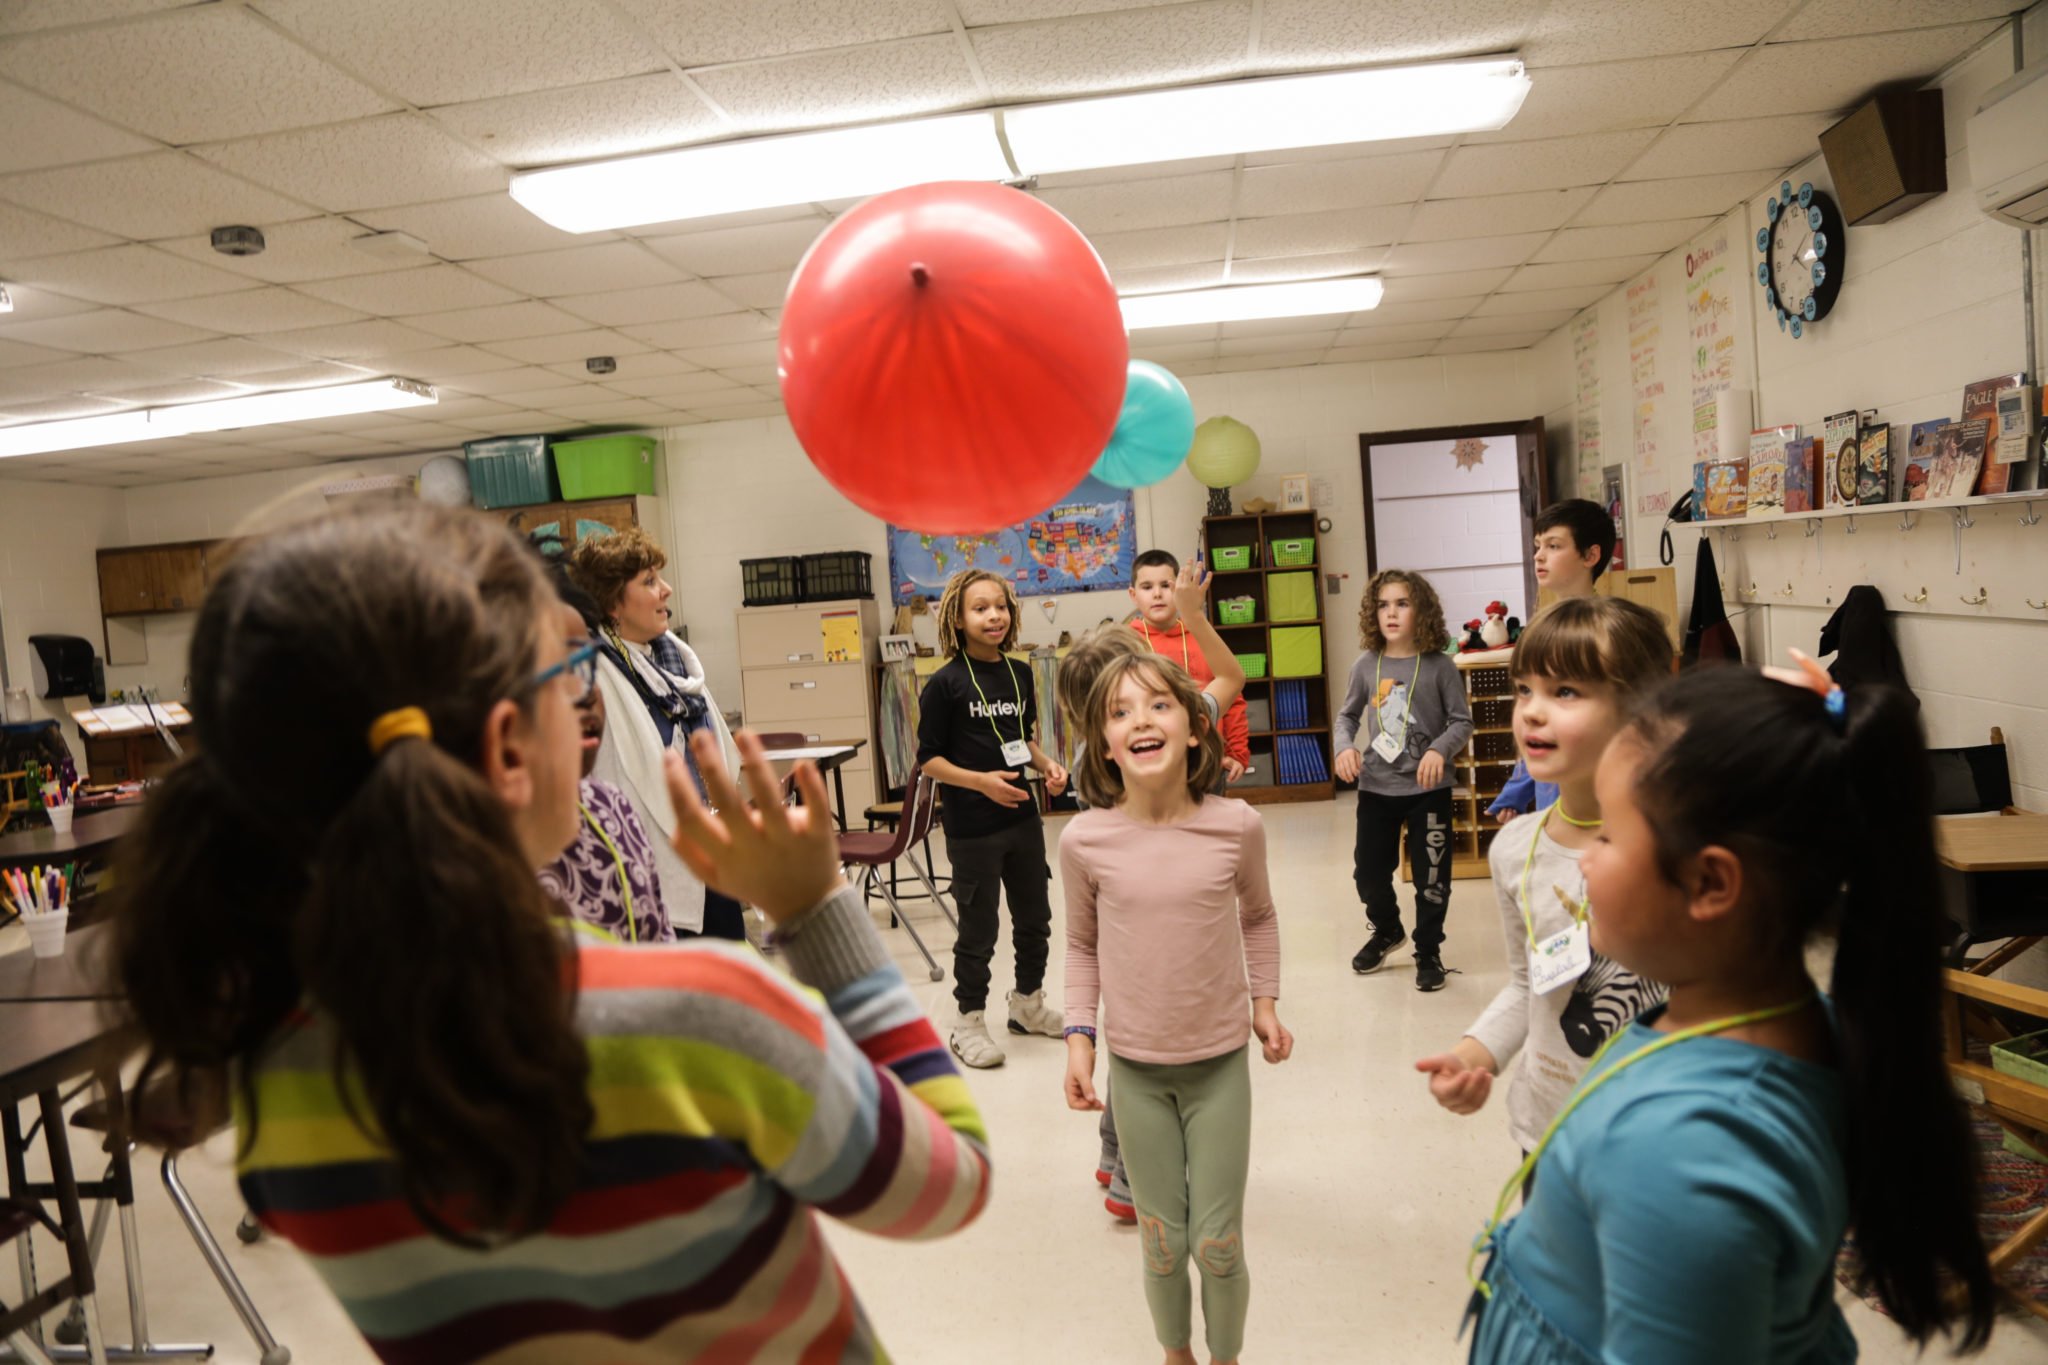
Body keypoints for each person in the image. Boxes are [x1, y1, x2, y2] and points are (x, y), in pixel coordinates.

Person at [109, 504, 992, 1363]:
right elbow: (948, 1181)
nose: (584, 701)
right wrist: (817, 909)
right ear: (506, 747)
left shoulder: (271, 1083)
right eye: (566, 681)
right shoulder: (701, 1013)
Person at [1464, 653, 1997, 1362]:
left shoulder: (1686, 1155)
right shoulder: (1772, 1015)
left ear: (1711, 882)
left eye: (1612, 836)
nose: (1587, 858)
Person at [1061, 650, 1292, 1365]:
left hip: (1219, 1065)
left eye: (1158, 704)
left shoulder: (1236, 824)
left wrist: (1265, 1001)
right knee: (1161, 1238)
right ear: (1104, 744)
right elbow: (1080, 944)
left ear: (1195, 728)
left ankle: (1225, 1357)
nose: (1141, 720)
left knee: (1217, 1242)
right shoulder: (1084, 839)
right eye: (1120, 711)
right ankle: (1176, 1354)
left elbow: (1258, 915)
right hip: (1136, 1072)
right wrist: (1079, 1036)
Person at [1415, 597, 1672, 1164]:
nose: (1531, 712)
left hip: (1663, 1143)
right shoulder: (1515, 848)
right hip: (1548, 1134)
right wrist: (1473, 1054)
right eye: (1524, 690)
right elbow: (1531, 986)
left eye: (1566, 693)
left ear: (1641, 712)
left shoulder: (1681, 846)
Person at [1052, 584, 1245, 1224]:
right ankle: (1132, 1185)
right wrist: (1192, 615)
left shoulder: (1090, 761)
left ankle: (1112, 1154)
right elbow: (1230, 676)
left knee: (1134, 1060)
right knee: (1153, 1068)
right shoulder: (1179, 731)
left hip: (1122, 934)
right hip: (1167, 938)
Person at [917, 567, 1071, 1068]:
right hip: (972, 826)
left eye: (1001, 606)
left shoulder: (1019, 672)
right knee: (979, 929)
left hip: (1022, 819)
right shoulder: (944, 684)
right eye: (980, 608)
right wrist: (981, 782)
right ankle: (968, 1021)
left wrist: (1046, 765)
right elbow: (929, 760)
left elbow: (1019, 741)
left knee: (1035, 919)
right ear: (958, 620)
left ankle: (1027, 1004)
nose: (994, 616)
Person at [567, 527, 746, 940]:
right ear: (613, 602)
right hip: (650, 875)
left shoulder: (675, 664)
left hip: (712, 858)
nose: (666, 590)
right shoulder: (596, 676)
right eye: (649, 581)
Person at [1333, 568, 1472, 991]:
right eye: (1383, 605)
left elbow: (1461, 722)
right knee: (1369, 874)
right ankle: (1388, 930)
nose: (1391, 613)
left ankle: (1428, 950)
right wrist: (1344, 746)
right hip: (1377, 787)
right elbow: (1347, 716)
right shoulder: (1366, 666)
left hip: (1428, 790)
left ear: (1421, 610)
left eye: (1402, 603)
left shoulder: (1439, 666)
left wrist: (1437, 749)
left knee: (1432, 880)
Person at [536, 567, 673, 942]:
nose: (588, 693)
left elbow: (659, 949)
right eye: (555, 672)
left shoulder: (610, 807)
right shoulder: (466, 854)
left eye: (586, 665)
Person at [1490, 498, 1616, 825]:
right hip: (1551, 799)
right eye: (1538, 545)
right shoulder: (1541, 630)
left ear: (1591, 555)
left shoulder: (1610, 633)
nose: (1539, 555)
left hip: (1600, 796)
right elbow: (1537, 720)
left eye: (1553, 545)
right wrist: (1516, 793)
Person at [1129, 549, 1250, 782]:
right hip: (1150, 767)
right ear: (1133, 595)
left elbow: (1233, 699)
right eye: (1147, 587)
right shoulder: (1126, 644)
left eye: (1166, 585)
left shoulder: (1203, 638)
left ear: (1180, 589)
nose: (1157, 594)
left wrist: (1236, 753)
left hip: (1207, 761)